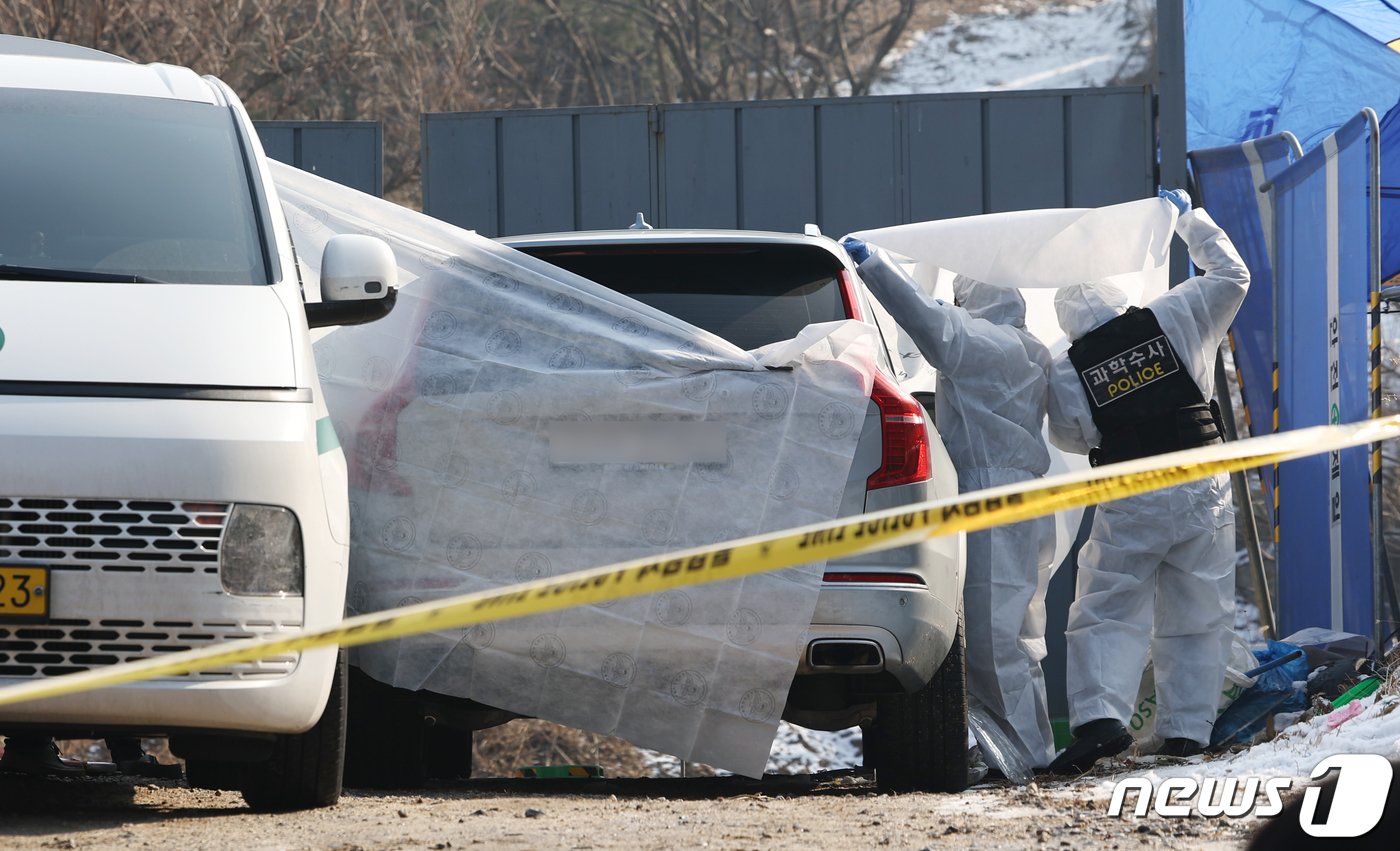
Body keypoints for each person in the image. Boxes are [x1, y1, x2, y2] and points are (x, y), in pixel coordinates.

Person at [1045, 188, 1250, 774]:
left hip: (1130, 493)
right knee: (1198, 608)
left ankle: (1101, 721)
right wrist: (1188, 218)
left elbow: (1070, 438)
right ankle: (1188, 732)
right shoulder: (1175, 313)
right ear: (1118, 298)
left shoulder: (1067, 370)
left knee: (1106, 607)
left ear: (1067, 323)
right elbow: (1233, 275)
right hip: (1200, 481)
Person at [842, 236, 1057, 772]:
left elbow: (925, 320)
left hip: (988, 497)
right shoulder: (1030, 348)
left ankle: (1019, 759)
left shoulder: (980, 341)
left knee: (988, 638)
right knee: (1019, 633)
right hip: (1027, 495)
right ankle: (1030, 749)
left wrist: (874, 264)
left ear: (972, 299)